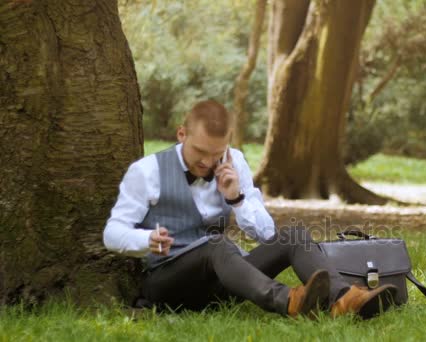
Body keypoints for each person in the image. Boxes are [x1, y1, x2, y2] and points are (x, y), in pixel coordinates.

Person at [103, 100, 397, 318]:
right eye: (200, 153)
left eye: (216, 154)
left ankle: (345, 298)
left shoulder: (235, 163)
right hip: (168, 284)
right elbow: (112, 233)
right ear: (182, 135)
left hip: (223, 282)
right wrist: (145, 240)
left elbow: (267, 234)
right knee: (217, 245)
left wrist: (237, 199)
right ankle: (290, 302)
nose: (207, 163)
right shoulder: (147, 172)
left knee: (292, 235)